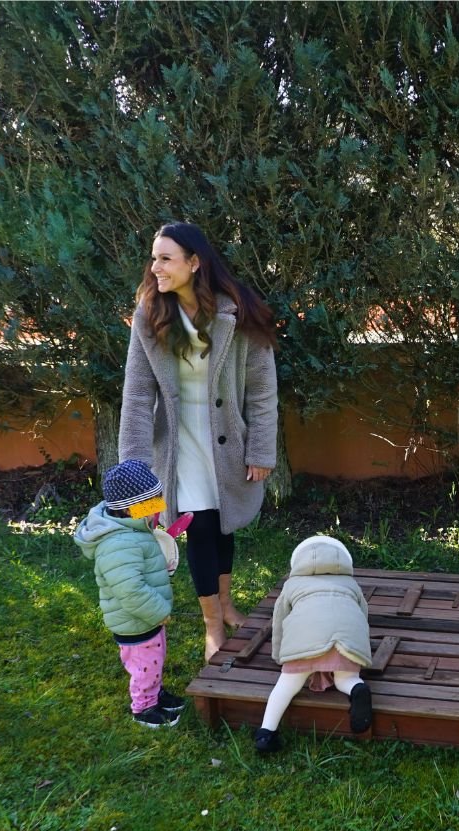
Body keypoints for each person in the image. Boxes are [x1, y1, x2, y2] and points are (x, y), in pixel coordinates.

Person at [118, 221, 278, 662]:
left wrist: (261, 449)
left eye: (165, 259)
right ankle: (212, 625)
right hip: (178, 446)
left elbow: (262, 389)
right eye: (153, 258)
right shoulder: (149, 316)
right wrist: (134, 467)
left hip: (226, 442)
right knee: (199, 527)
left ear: (194, 262)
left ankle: (226, 604)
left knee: (223, 524)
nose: (155, 268)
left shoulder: (236, 312)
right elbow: (137, 394)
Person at [73, 459, 187, 728]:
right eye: (152, 503)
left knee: (153, 660)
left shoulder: (132, 529)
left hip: (145, 618)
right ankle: (144, 707)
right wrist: (159, 611)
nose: (158, 507)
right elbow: (130, 590)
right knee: (144, 664)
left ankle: (155, 693)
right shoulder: (118, 543)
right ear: (129, 507)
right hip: (135, 620)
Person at [254, 535, 374, 754]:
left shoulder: (292, 584)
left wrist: (280, 655)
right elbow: (362, 618)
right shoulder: (351, 584)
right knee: (346, 678)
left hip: (304, 642)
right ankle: (356, 688)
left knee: (287, 686)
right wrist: (360, 651)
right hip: (346, 642)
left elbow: (279, 621)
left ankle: (266, 733)